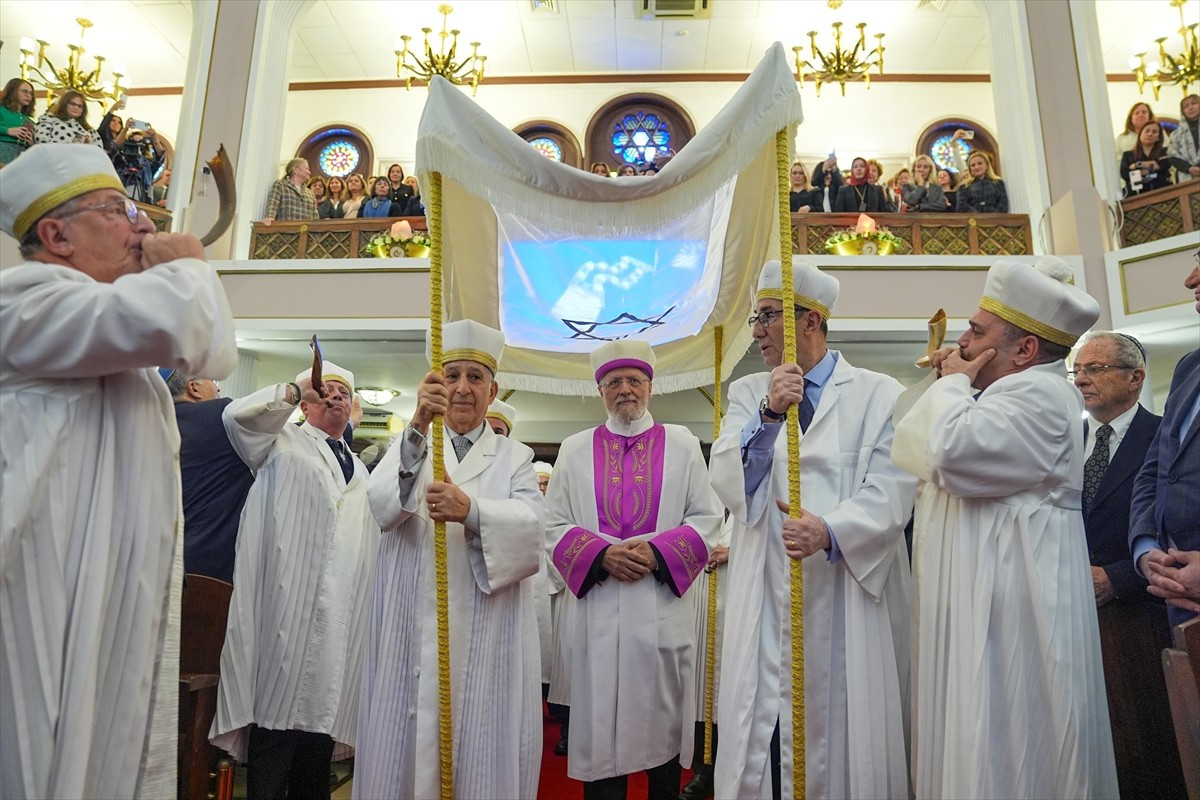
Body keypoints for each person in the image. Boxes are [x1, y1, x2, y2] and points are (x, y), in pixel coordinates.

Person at [0, 143, 237, 798]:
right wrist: (187, 262)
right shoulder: (22, 301)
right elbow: (180, 325)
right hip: (39, 584)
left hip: (103, 588)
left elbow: (212, 350)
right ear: (56, 235)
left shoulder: (114, 338)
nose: (142, 226)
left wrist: (187, 271)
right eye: (118, 210)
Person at [892, 256, 1118, 799]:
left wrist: (950, 386)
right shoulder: (995, 394)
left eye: (976, 330)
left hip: (1017, 609)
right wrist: (956, 388)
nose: (963, 342)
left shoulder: (1041, 395)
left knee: (1011, 738)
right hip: (982, 600)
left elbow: (948, 455)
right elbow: (908, 448)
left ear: (1025, 350)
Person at [710, 259, 915, 800]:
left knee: (846, 720)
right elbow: (728, 479)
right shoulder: (748, 392)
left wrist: (830, 530)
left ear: (811, 321)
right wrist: (770, 414)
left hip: (846, 585)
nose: (756, 331)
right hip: (768, 582)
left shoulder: (879, 393)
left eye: (768, 316)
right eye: (756, 318)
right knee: (766, 722)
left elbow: (894, 487)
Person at [355, 320, 545, 799]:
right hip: (410, 622)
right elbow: (380, 509)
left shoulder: (515, 457)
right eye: (451, 376)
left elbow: (533, 531)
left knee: (478, 743)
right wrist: (417, 424)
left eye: (475, 378)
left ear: (492, 389)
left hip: (486, 629)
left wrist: (474, 511)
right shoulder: (414, 441)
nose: (462, 388)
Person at [548, 339, 722, 800]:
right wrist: (601, 555)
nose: (624, 389)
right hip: (599, 615)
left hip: (659, 611)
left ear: (650, 386)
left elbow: (708, 518)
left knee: (660, 733)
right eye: (613, 382)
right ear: (600, 390)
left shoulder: (683, 443)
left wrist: (659, 551)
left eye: (633, 380)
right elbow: (552, 524)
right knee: (600, 728)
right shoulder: (574, 448)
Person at [211, 363, 381, 800]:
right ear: (304, 403)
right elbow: (235, 418)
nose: (336, 396)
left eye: (345, 391)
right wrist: (292, 388)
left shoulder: (361, 473)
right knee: (276, 722)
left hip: (338, 621)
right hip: (285, 608)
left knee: (317, 742)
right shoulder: (278, 440)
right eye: (327, 390)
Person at [1071, 332, 1187, 798]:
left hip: (1141, 617)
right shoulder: (1063, 438)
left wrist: (1119, 578)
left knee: (1148, 745)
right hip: (1071, 618)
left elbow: (1177, 525)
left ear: (1135, 377)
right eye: (1076, 370)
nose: (1081, 379)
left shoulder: (1167, 437)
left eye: (1094, 369)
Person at [1130, 252, 1200, 624]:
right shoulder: (1189, 366)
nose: (1191, 280)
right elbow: (1156, 471)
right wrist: (1146, 551)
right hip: (1178, 596)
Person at [165, 370, 255, 584]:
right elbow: (287, 439)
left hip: (157, 560)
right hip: (208, 569)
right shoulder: (220, 415)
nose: (218, 388)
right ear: (193, 388)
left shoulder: (153, 423)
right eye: (213, 381)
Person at [679, 517, 731, 800]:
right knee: (701, 692)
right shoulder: (705, 489)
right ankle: (703, 767)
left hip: (738, 602)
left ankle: (726, 768)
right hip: (698, 600)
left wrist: (734, 553)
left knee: (727, 691)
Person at [33, 90, 101, 147]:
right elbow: (41, 140)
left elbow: (98, 152)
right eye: (72, 104)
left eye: (80, 106)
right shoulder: (48, 119)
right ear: (64, 104)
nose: (76, 108)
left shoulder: (90, 131)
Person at [1120, 119, 1170, 196]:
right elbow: (1125, 174)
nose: (1150, 134)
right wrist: (1152, 169)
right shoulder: (1128, 155)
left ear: (1158, 137)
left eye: (1154, 132)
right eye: (1147, 131)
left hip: (1163, 192)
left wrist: (1137, 165)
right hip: (1137, 195)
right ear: (1140, 135)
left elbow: (1163, 164)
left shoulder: (1165, 151)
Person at [261, 157, 317, 225]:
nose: (309, 172)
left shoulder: (310, 193)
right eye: (307, 169)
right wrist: (270, 217)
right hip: (285, 232)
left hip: (305, 234)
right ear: (296, 169)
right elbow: (273, 202)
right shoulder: (281, 185)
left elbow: (315, 217)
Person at [0, 77, 35, 164]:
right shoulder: (1, 110)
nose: (29, 96)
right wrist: (8, 131)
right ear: (12, 91)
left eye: (31, 93)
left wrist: (32, 142)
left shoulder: (29, 120)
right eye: (25, 91)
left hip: (24, 156)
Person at [1168, 94, 1200, 183]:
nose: (1190, 108)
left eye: (1194, 103)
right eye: (1186, 106)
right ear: (1182, 111)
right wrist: (1190, 168)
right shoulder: (1176, 134)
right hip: (1187, 178)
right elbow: (1172, 156)